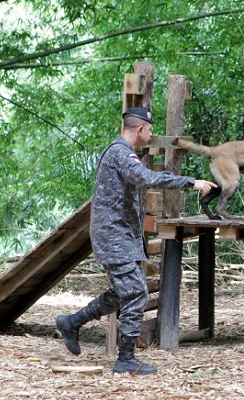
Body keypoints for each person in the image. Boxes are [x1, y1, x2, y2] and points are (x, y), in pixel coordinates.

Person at [56, 107, 216, 375]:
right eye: (150, 130)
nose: (151, 134)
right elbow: (147, 178)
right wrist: (192, 182)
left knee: (125, 292)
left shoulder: (121, 153)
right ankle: (125, 359)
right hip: (113, 236)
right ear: (140, 129)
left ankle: (72, 322)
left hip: (120, 235)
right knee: (136, 292)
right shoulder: (120, 153)